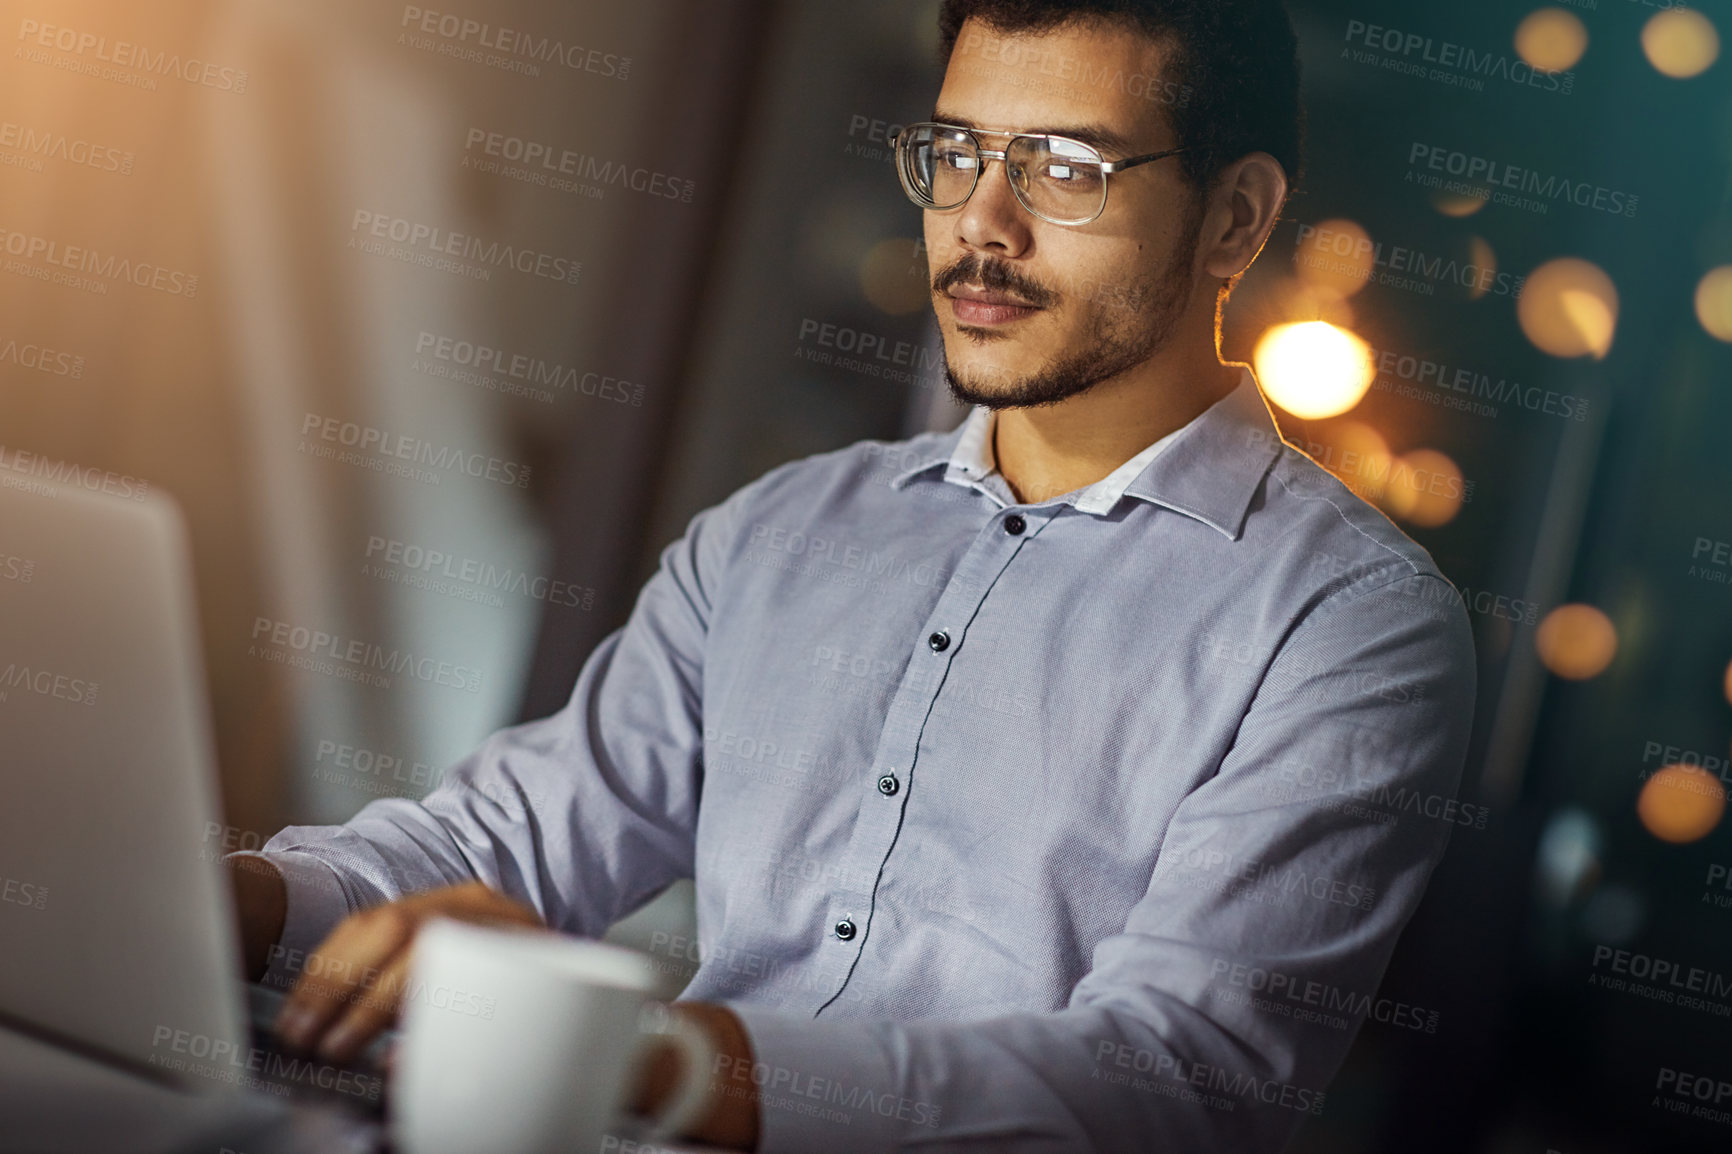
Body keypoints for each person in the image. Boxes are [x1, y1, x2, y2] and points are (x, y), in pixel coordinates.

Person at [226, 2, 1477, 1150]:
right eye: (956, 153)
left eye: (1064, 169)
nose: (982, 223)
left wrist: (645, 1054)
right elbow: (503, 838)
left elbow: (1161, 1082)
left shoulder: (1347, 626)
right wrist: (223, 900)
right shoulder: (780, 530)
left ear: (1237, 219)